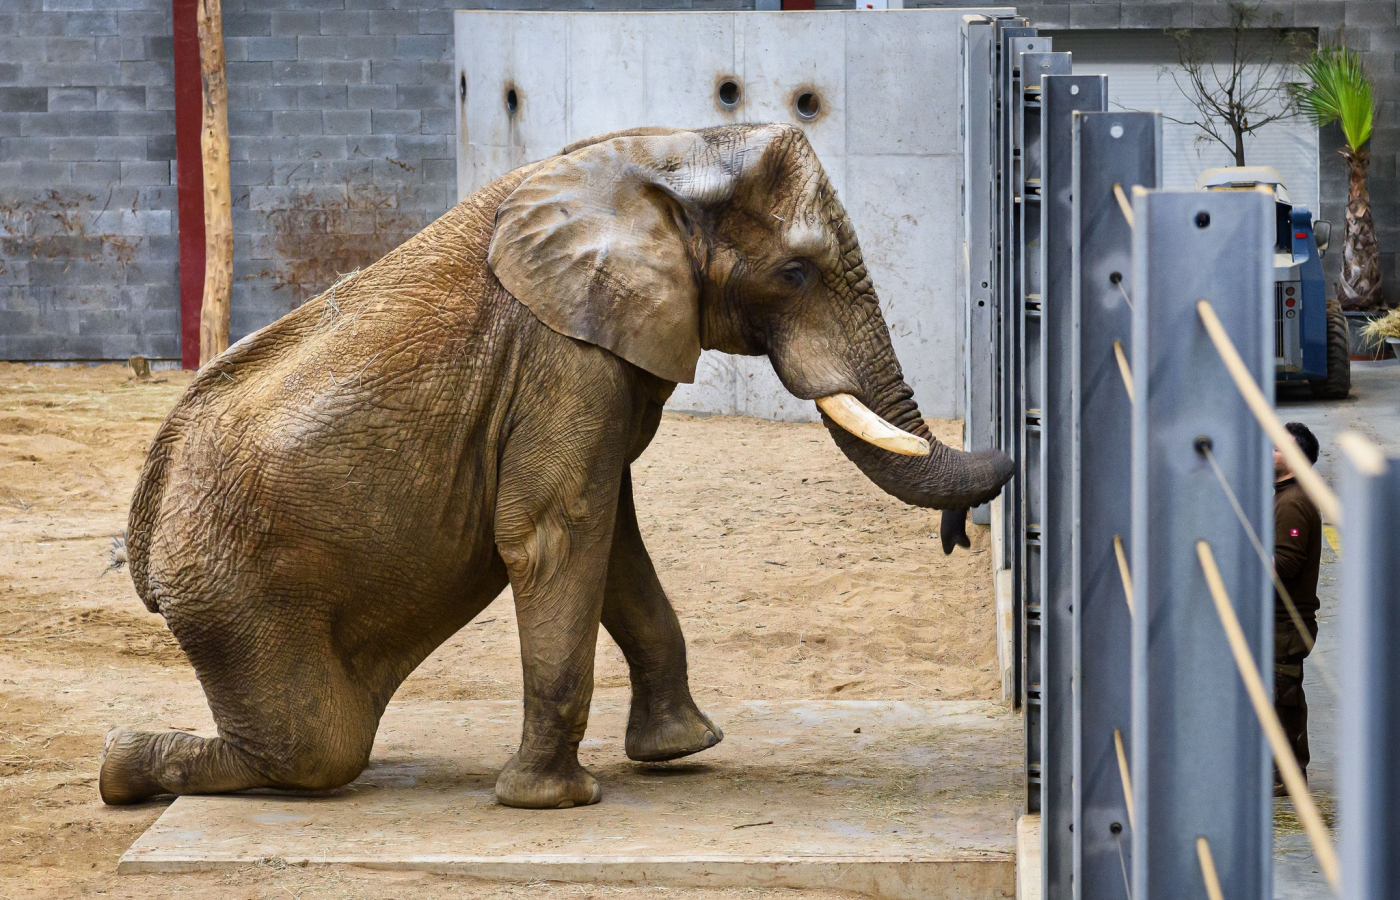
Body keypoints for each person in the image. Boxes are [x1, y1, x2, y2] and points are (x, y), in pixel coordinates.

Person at [1272, 421, 1323, 795]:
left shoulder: (1293, 503)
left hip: (1286, 624)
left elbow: (1286, 565)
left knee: (1282, 697)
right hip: (1277, 621)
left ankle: (1286, 777)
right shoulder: (1282, 494)